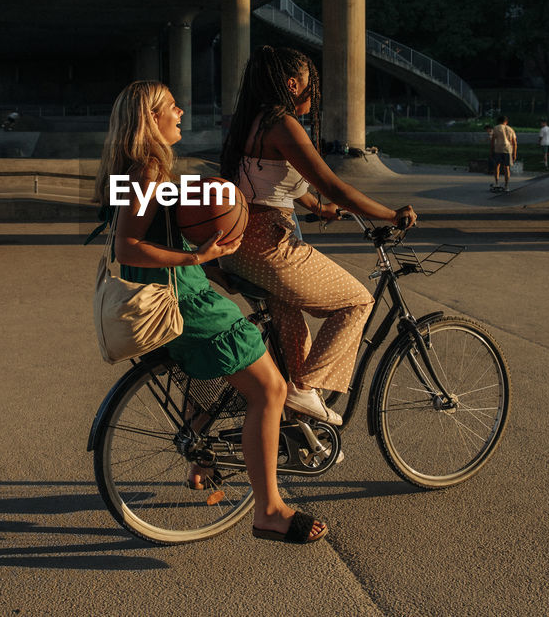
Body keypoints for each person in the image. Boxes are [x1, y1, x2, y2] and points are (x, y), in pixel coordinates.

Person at [93, 80, 327, 544]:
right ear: (150, 120)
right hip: (183, 297)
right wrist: (195, 259)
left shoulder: (140, 170)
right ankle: (271, 511)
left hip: (183, 290)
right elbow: (128, 246)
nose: (180, 111)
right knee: (270, 390)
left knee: (215, 375)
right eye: (170, 107)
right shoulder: (146, 173)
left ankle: (204, 460)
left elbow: (152, 230)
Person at [219, 45, 417, 426]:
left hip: (241, 245)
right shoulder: (283, 124)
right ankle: (304, 389)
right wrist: (392, 214)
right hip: (271, 246)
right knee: (357, 302)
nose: (314, 91)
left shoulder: (254, 120)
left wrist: (317, 207)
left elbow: (271, 179)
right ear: (293, 84)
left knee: (294, 339)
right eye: (311, 83)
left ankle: (304, 436)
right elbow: (336, 186)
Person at [490, 115, 518, 192]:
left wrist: (491, 151)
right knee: (507, 168)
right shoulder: (511, 129)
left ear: (498, 121)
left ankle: (497, 183)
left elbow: (492, 141)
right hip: (508, 150)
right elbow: (514, 143)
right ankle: (506, 186)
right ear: (506, 122)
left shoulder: (496, 128)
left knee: (497, 166)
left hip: (498, 149)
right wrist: (514, 153)